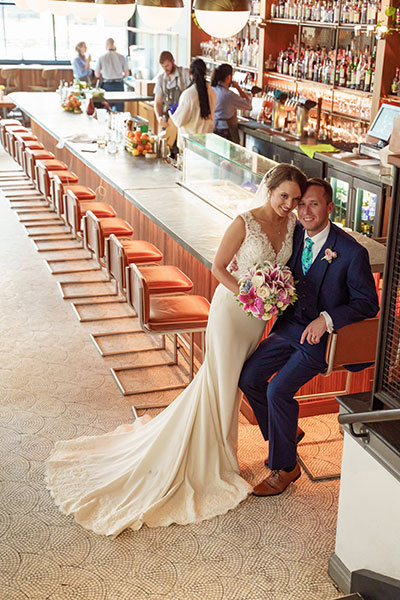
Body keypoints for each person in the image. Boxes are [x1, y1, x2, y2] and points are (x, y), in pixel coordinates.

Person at [45, 163, 308, 537]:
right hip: (233, 310)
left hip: (257, 317)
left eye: (295, 200)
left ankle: (227, 449)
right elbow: (218, 267)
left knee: (232, 381)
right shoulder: (244, 221)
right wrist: (252, 295)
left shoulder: (293, 226)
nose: (289, 205)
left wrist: (271, 299)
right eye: (285, 196)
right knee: (219, 380)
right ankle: (218, 460)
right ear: (270, 190)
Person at [239, 178, 380, 497]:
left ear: (330, 208)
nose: (305, 211)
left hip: (322, 339)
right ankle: (288, 431)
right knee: (249, 377)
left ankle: (285, 467)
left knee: (278, 389)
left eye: (314, 204)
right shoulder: (295, 233)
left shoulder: (350, 252)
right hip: (289, 327)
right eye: (302, 204)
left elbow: (367, 303)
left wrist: (327, 319)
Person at [170, 58, 216, 152]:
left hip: (189, 146)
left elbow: (179, 122)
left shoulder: (188, 94)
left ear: (190, 73)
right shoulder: (211, 92)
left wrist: (173, 113)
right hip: (205, 145)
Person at [154, 51, 191, 157]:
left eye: (167, 66)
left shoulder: (184, 74)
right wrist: (159, 117)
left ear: (173, 61)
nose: (165, 69)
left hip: (182, 121)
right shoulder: (161, 79)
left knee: (181, 152)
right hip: (168, 121)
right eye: (163, 67)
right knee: (166, 152)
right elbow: (158, 101)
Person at [211, 63, 252, 144]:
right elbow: (248, 105)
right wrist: (238, 88)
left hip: (213, 127)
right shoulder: (229, 95)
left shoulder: (212, 89)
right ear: (229, 77)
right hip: (225, 130)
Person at [94, 38, 129, 111]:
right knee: (120, 110)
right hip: (119, 85)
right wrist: (120, 76)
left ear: (106, 45)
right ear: (114, 45)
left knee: (107, 108)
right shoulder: (121, 57)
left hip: (107, 85)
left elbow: (97, 74)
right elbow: (127, 74)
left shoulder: (101, 57)